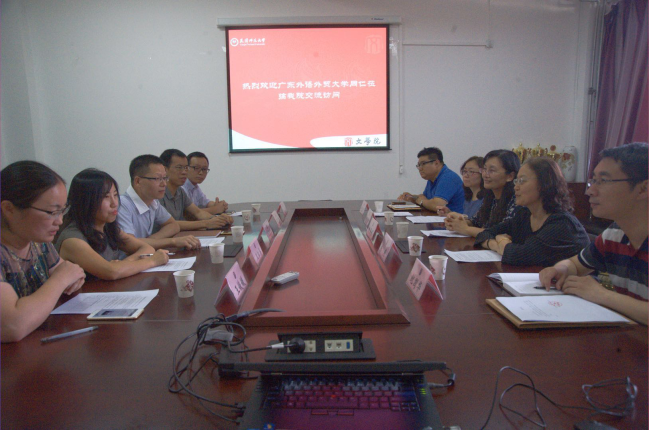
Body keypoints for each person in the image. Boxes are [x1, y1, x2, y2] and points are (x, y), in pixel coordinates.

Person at [540, 142, 648, 325]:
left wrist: (602, 295)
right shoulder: (614, 234)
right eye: (593, 180)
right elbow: (575, 264)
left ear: (643, 189)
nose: (590, 191)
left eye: (603, 181)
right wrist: (560, 269)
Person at [1, 161, 86, 342]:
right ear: (9, 209)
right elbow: (12, 326)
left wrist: (70, 278)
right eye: (51, 212)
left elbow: (72, 274)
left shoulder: (38, 243)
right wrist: (61, 279)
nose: (60, 221)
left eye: (62, 211)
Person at [55, 169, 170, 280]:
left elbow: (147, 248)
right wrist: (153, 261)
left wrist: (124, 264)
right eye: (105, 197)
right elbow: (111, 272)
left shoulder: (107, 227)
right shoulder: (72, 239)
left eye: (115, 195)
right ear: (85, 201)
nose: (114, 203)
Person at [475, 157, 590, 266]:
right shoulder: (524, 215)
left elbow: (517, 255)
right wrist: (497, 244)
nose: (516, 187)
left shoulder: (562, 223)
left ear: (544, 184)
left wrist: (502, 240)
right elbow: (483, 235)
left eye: (522, 181)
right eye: (516, 181)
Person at [117, 155, 201, 250]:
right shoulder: (122, 205)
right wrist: (172, 242)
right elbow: (129, 244)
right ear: (138, 181)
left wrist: (151, 240)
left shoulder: (153, 201)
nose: (164, 184)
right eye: (157, 179)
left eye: (165, 178)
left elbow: (173, 225)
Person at [445, 149, 520, 237]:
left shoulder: (517, 199)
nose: (485, 175)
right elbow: (476, 221)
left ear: (510, 176)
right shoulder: (490, 196)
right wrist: (457, 221)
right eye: (484, 169)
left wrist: (465, 229)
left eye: (492, 170)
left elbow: (501, 234)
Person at [159, 149, 233, 230]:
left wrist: (219, 219)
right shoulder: (158, 193)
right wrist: (206, 223)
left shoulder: (180, 191)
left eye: (186, 168)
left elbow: (198, 212)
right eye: (179, 167)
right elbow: (169, 223)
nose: (184, 172)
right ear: (165, 170)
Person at [397, 147, 464, 212]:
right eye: (419, 165)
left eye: (423, 164)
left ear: (436, 163)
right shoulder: (432, 178)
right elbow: (425, 198)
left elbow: (437, 206)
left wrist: (421, 201)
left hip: (455, 218)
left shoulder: (448, 178)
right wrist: (412, 197)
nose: (420, 168)